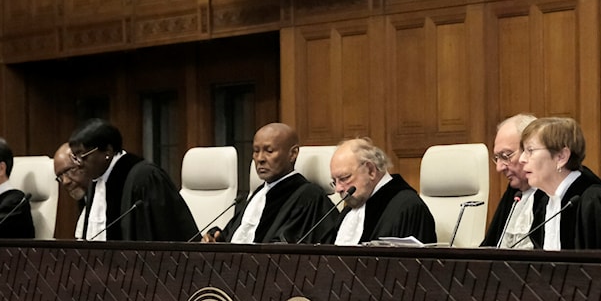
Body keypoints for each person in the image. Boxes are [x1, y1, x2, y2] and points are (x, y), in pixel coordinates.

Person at [518, 117, 601, 250]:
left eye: (530, 151)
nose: (522, 159)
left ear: (561, 157)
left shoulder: (596, 204)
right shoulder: (544, 204)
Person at [67, 119, 197, 242]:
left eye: (82, 156)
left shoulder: (145, 178)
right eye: (75, 157)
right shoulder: (96, 182)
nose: (78, 164)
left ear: (108, 151)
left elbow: (166, 235)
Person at [203, 123, 335, 244]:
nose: (260, 159)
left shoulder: (308, 196)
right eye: (256, 151)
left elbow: (289, 246)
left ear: (293, 154)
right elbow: (234, 235)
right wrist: (216, 238)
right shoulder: (258, 193)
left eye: (269, 151)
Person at [328, 137, 436, 245]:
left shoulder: (408, 207)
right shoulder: (350, 211)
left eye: (344, 178)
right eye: (334, 181)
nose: (338, 189)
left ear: (371, 170)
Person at [480, 114, 547, 248]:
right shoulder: (513, 194)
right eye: (497, 158)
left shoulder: (555, 195)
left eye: (506, 156)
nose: (499, 168)